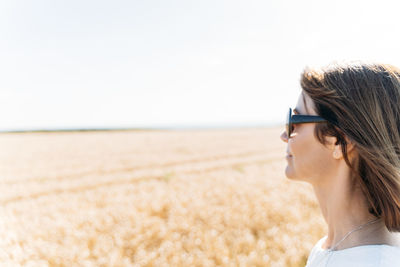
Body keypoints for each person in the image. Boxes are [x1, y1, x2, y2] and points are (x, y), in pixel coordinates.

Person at [280, 61, 400, 266]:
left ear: (340, 140)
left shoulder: (376, 262)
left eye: (295, 120)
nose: (284, 135)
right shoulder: (328, 250)